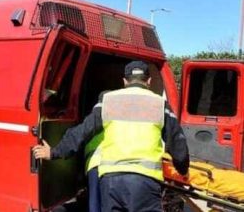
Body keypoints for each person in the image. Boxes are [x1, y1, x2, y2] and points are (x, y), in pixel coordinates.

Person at [33, 61, 189, 212]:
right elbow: (178, 142)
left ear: (124, 81)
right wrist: (183, 170)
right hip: (143, 183)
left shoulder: (109, 101)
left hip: (110, 182)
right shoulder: (159, 104)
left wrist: (55, 152)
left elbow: (83, 130)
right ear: (149, 81)